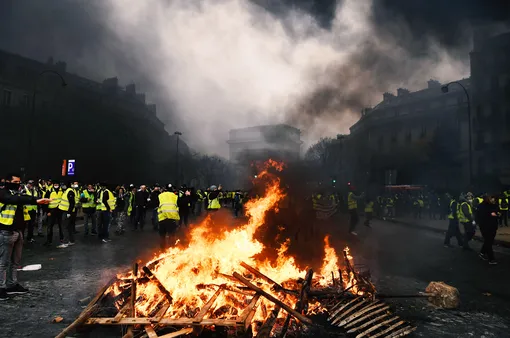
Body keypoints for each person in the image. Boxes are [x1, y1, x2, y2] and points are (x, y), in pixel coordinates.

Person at [0, 173, 51, 300]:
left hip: (18, 231)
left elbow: (23, 198)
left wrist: (39, 200)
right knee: (3, 262)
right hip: (6, 231)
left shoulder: (17, 193)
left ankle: (12, 285)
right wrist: (35, 200)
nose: (18, 184)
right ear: (7, 181)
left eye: (19, 182)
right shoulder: (3, 193)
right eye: (15, 182)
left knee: (15, 261)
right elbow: (12, 200)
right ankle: (1, 288)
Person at [158, 184, 181, 250]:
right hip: (171, 219)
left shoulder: (160, 196)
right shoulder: (175, 196)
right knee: (171, 236)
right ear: (173, 190)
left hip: (162, 218)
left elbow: (154, 203)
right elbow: (182, 203)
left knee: (162, 236)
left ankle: (163, 250)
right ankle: (171, 250)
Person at [478, 195, 500, 264]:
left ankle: (482, 252)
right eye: (490, 198)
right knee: (488, 242)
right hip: (485, 227)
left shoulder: (494, 205)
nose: (492, 199)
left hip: (493, 226)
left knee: (489, 241)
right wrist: (490, 215)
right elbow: (480, 216)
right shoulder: (481, 206)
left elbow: (498, 212)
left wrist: (497, 214)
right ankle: (491, 259)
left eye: (493, 198)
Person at [58, 181, 80, 247]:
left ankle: (65, 242)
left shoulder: (69, 191)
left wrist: (69, 212)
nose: (62, 186)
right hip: (68, 212)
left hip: (67, 212)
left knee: (65, 227)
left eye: (63, 185)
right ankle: (71, 241)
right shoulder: (67, 191)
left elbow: (72, 203)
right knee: (69, 227)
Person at [44, 182, 64, 247]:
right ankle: (49, 241)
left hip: (60, 210)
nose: (56, 186)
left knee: (61, 226)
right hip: (51, 211)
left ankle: (62, 239)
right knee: (50, 226)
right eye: (55, 184)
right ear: (53, 185)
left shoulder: (62, 191)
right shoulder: (49, 191)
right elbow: (45, 201)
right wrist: (47, 211)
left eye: (57, 184)